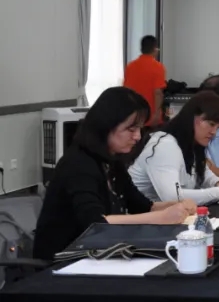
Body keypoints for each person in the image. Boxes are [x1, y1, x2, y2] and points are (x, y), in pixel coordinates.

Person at [33, 87, 195, 261]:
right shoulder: (77, 164)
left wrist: (177, 205)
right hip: (63, 261)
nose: (138, 136)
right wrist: (161, 217)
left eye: (140, 129)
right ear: (106, 126)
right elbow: (96, 223)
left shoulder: (112, 161)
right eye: (131, 129)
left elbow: (143, 206)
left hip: (97, 253)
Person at [128, 91, 219, 206]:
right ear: (192, 117)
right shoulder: (165, 145)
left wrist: (217, 182)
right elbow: (173, 197)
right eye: (211, 124)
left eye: (218, 127)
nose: (214, 132)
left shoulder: (190, 143)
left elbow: (201, 172)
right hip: (137, 214)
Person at [123, 34, 167, 126]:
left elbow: (126, 91)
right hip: (150, 116)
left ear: (141, 49)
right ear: (155, 49)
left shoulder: (130, 66)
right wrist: (157, 113)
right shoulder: (158, 67)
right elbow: (157, 92)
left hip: (134, 116)